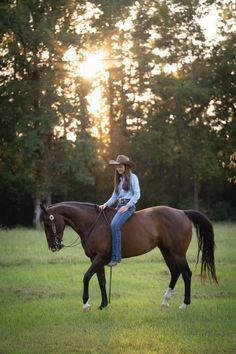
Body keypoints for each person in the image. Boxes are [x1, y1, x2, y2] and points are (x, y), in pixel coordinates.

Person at [100, 155, 140, 267]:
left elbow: (137, 195)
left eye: (121, 166)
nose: (119, 168)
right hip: (119, 205)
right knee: (107, 224)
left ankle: (116, 257)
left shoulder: (133, 178)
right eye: (117, 166)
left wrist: (127, 206)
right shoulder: (119, 179)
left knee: (114, 225)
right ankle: (108, 252)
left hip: (129, 206)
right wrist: (105, 205)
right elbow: (114, 197)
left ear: (126, 166)